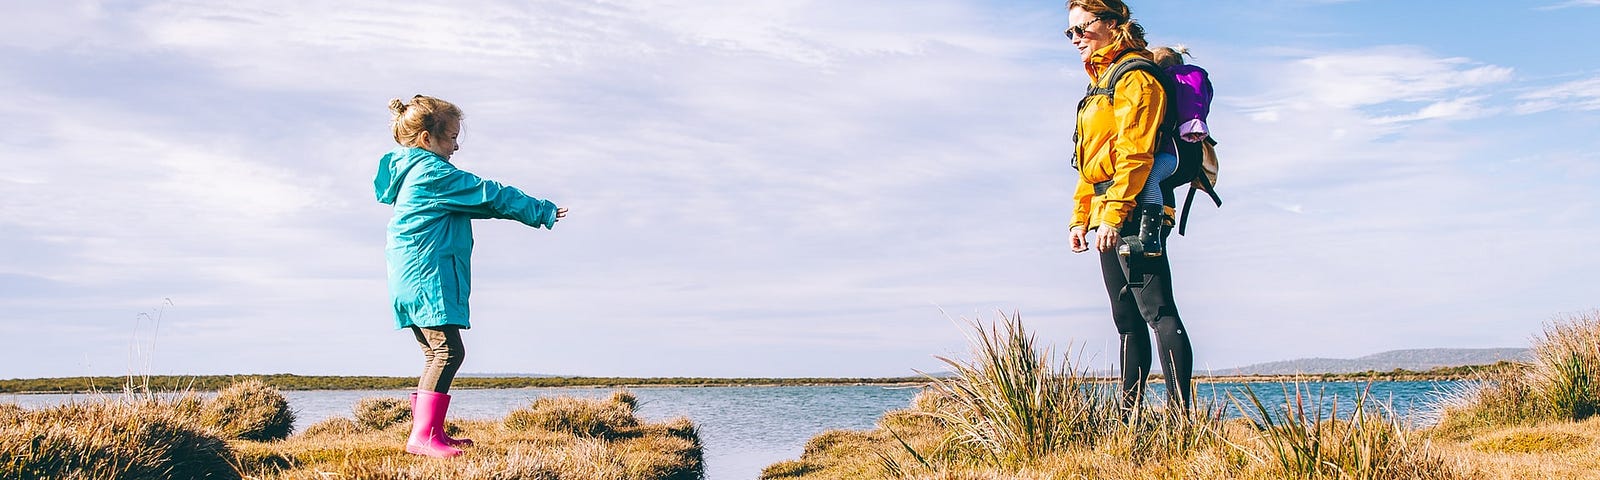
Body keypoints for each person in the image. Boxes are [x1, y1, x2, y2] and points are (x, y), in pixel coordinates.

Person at [374, 95, 568, 458]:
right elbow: (488, 195)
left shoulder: (413, 172)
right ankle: (423, 436)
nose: (455, 146)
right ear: (426, 139)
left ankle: (431, 432)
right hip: (426, 275)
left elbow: (481, 205)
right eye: (449, 137)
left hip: (410, 278)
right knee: (448, 352)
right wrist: (540, 210)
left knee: (435, 353)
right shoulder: (434, 173)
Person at [1064, 0, 1194, 412]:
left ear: (1114, 24)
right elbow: (1090, 161)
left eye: (1083, 29)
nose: (1076, 39)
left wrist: (1116, 215)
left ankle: (1180, 421)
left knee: (1157, 312)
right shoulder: (1100, 83)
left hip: (1137, 208)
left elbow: (1135, 155)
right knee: (1126, 321)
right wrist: (1080, 218)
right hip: (1106, 210)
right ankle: (1129, 418)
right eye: (1070, 33)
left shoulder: (1136, 77)